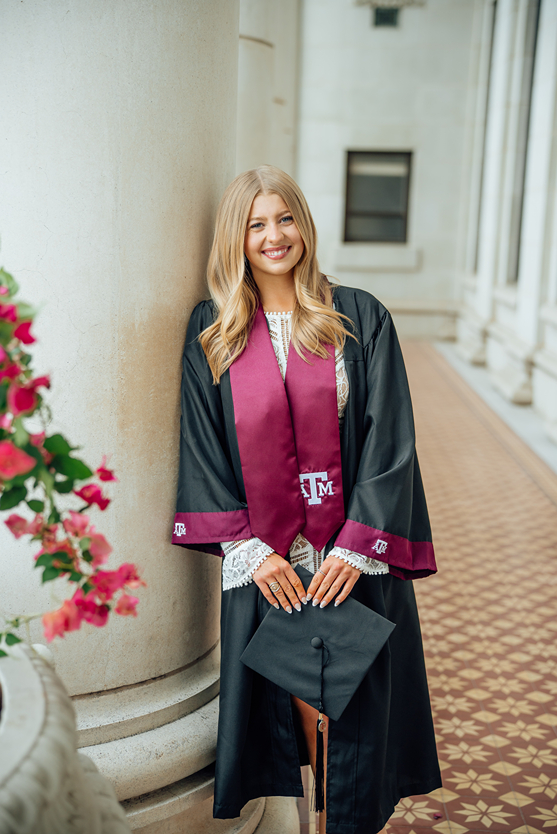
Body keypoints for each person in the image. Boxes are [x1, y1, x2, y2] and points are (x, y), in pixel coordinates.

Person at [172, 165, 441, 834]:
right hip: (268, 569)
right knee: (288, 717)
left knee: (347, 729)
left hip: (347, 563)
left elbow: (391, 441)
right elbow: (202, 447)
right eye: (256, 224)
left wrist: (355, 548)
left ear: (304, 224)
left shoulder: (357, 316)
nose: (273, 235)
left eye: (285, 218)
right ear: (236, 237)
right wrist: (247, 550)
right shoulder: (214, 328)